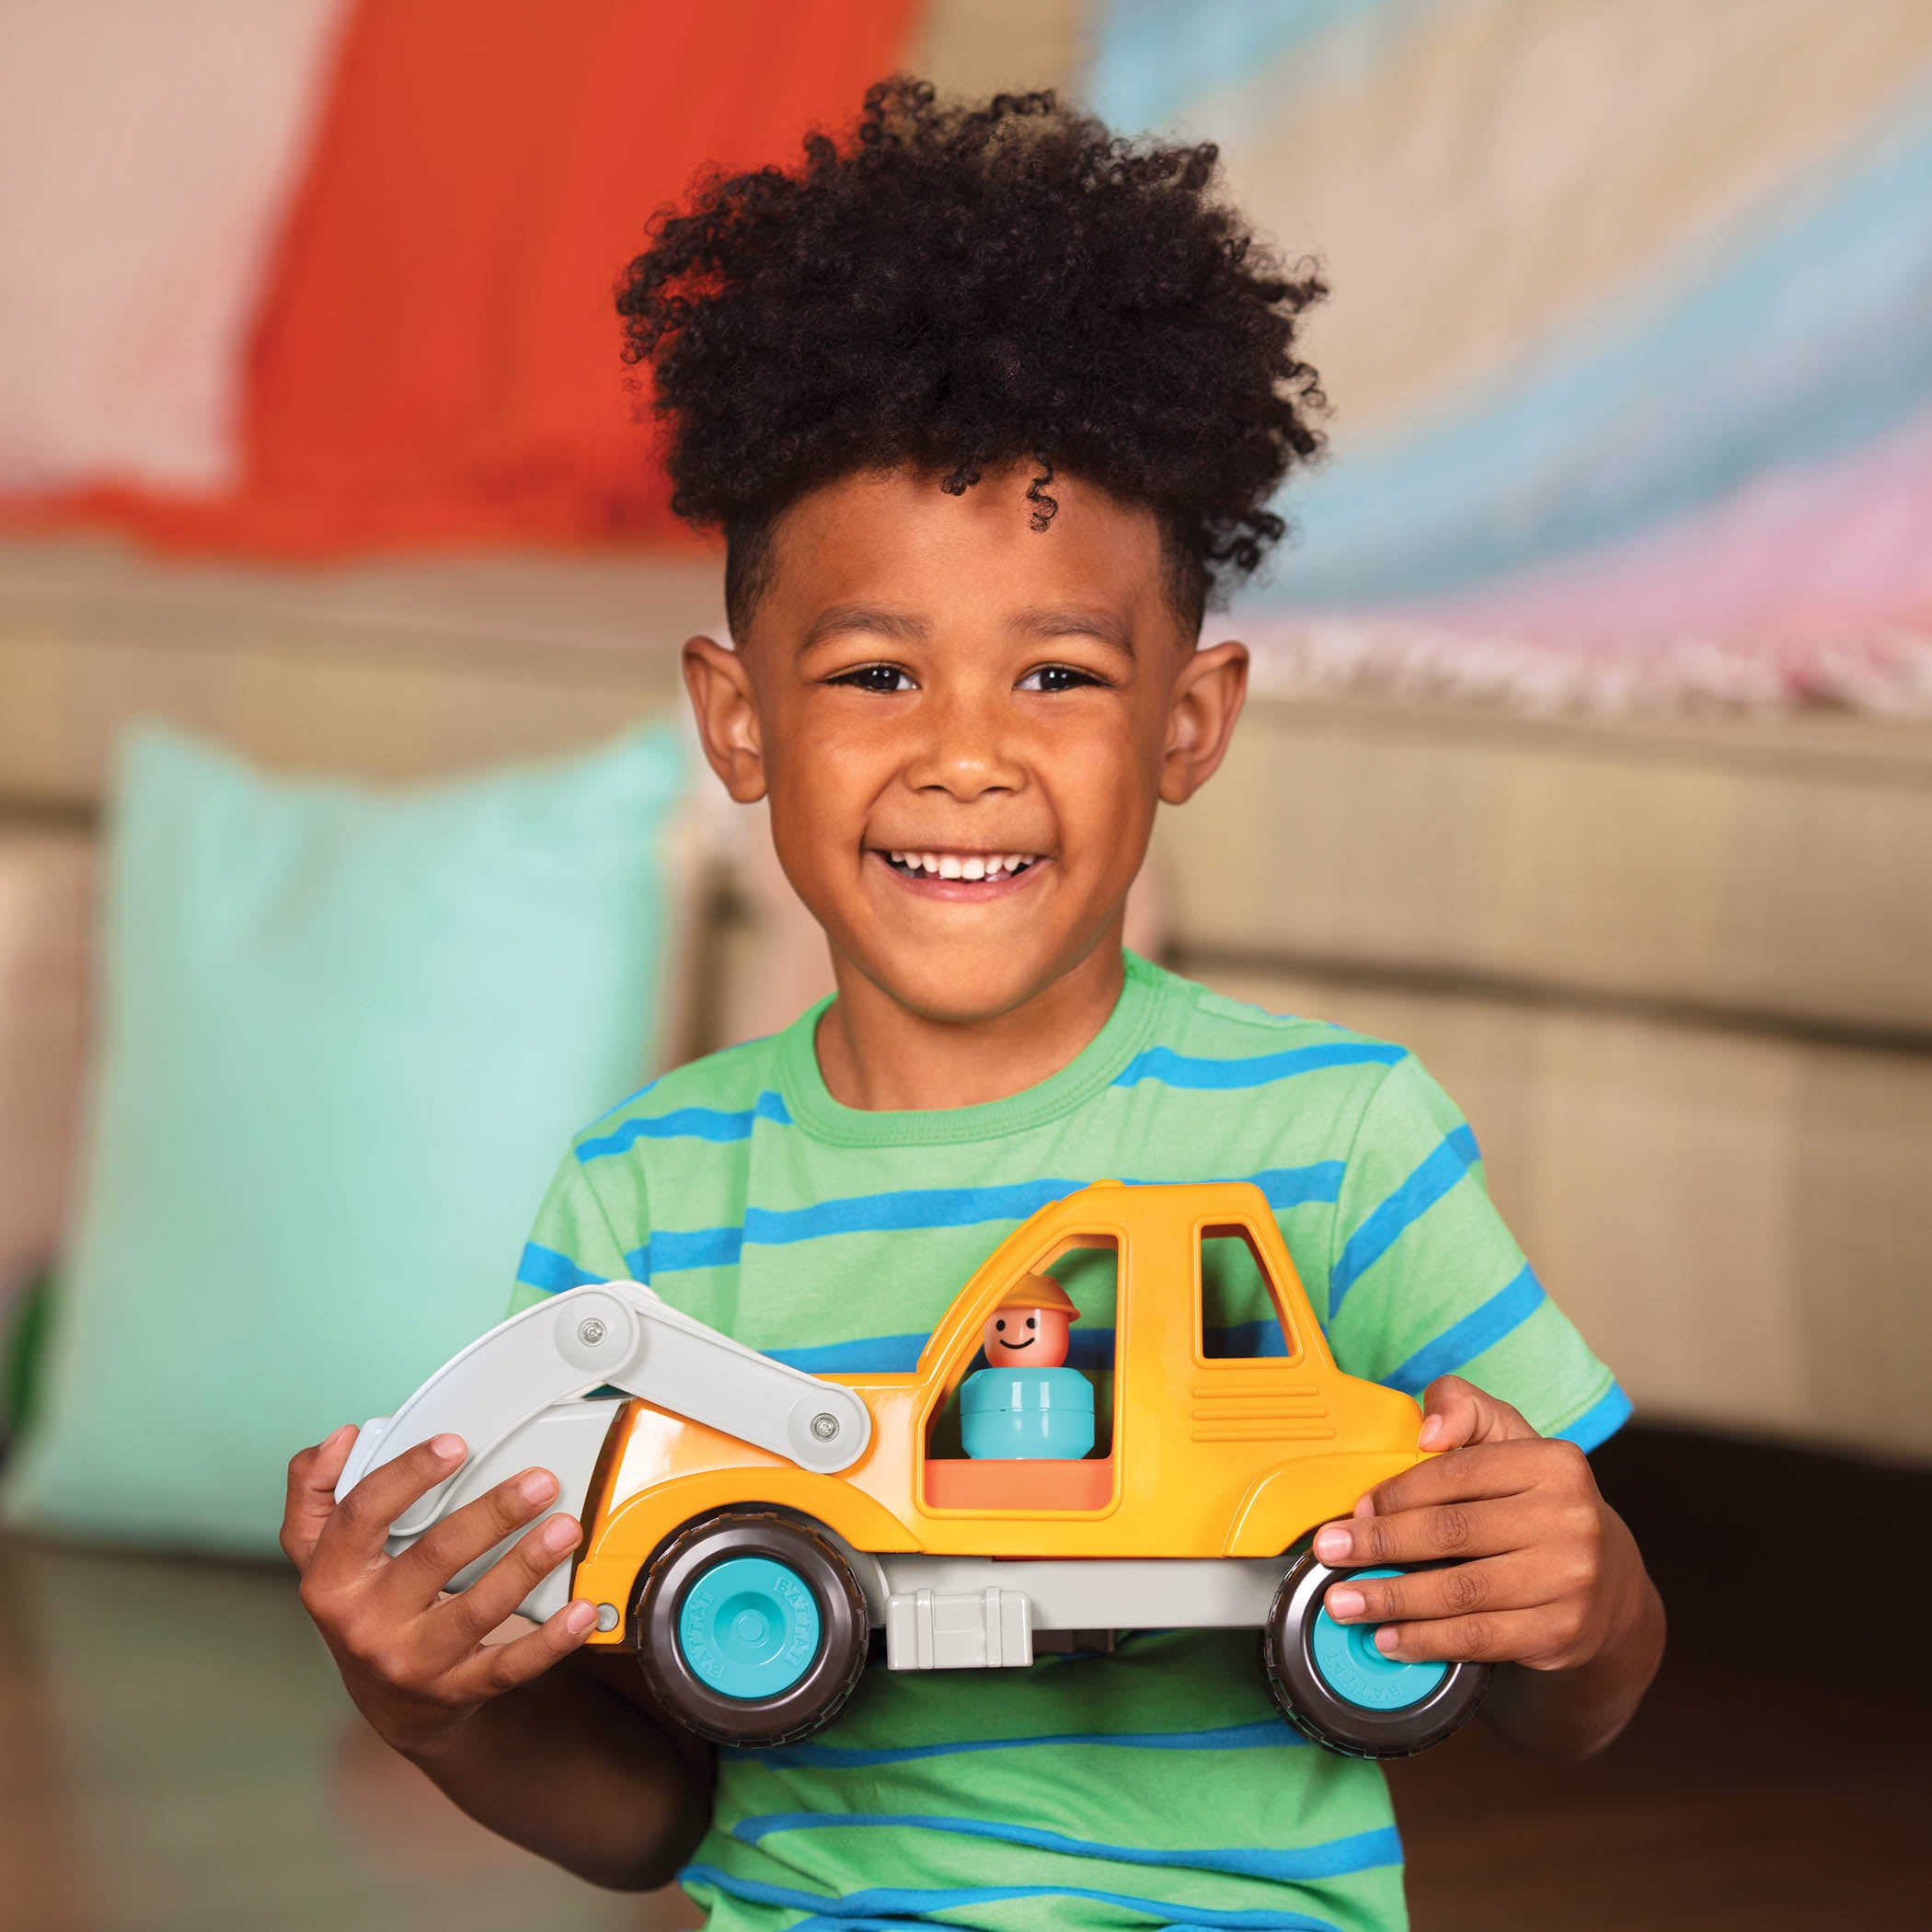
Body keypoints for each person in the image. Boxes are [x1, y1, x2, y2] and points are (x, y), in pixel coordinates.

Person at [280, 77, 1664, 1930]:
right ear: (739, 717)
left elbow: (1576, 1688)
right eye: (871, 672)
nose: (962, 758)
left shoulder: (1341, 1141)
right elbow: (645, 1809)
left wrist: (1588, 1597)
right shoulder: (649, 1202)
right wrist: (425, 1706)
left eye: (1062, 678)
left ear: (1190, 720)